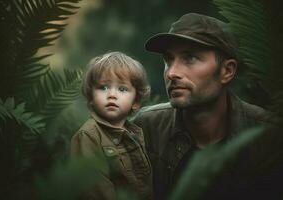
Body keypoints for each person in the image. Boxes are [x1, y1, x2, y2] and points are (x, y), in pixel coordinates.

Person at [133, 13, 281, 199]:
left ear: (227, 71)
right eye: (168, 59)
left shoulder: (269, 136)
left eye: (190, 58)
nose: (171, 72)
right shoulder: (145, 128)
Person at [70, 52, 152, 199]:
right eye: (103, 87)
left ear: (136, 101)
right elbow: (94, 190)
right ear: (91, 97)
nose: (112, 95)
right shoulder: (88, 137)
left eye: (122, 89)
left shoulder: (136, 133)